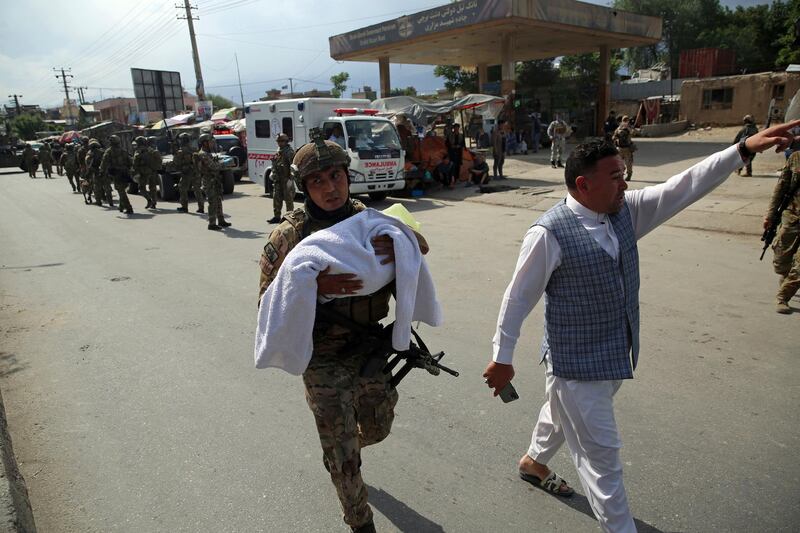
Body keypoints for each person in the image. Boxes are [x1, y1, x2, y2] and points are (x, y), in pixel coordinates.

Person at [482, 120, 800, 533]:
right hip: (576, 368)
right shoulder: (548, 234)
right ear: (583, 184)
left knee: (560, 414)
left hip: (616, 354)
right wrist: (501, 358)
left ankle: (533, 462)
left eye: (625, 176)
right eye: (615, 177)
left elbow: (683, 185)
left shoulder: (624, 214)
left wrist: (742, 150)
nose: (625, 185)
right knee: (602, 461)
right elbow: (516, 299)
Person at [257, 131, 429, 533]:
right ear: (304, 188)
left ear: (348, 178)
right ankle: (356, 510)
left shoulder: (373, 219)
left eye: (336, 176)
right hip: (322, 356)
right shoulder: (289, 236)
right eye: (317, 181)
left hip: (369, 346)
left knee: (377, 427)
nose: (329, 188)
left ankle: (343, 450)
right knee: (343, 449)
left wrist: (402, 247)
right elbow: (268, 303)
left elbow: (420, 245)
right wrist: (313, 290)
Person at [764, 150, 800, 314]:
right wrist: (770, 215)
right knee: (781, 261)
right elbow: (780, 188)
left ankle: (782, 297)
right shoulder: (795, 158)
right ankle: (787, 279)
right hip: (791, 216)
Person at [195, 133, 231, 231]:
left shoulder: (208, 153)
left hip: (214, 180)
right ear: (205, 143)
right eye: (210, 142)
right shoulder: (203, 154)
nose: (212, 144)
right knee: (212, 202)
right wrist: (224, 164)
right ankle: (212, 223)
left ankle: (221, 220)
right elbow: (213, 166)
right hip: (209, 181)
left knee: (218, 201)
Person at [101, 135, 134, 215]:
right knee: (122, 190)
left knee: (121, 191)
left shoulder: (109, 152)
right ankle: (121, 206)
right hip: (125, 173)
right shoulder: (123, 151)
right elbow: (130, 162)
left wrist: (102, 172)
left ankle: (129, 208)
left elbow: (104, 163)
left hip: (117, 173)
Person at [267, 133, 296, 224]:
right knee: (276, 198)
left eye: (281, 141)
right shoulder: (279, 150)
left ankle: (289, 217)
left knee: (288, 200)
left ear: (286, 141)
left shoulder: (289, 152)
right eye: (278, 141)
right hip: (278, 179)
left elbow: (293, 166)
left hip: (286, 179)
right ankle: (276, 216)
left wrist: (290, 179)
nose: (279, 143)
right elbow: (275, 162)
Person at [175, 133, 204, 214]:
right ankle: (201, 207)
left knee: (182, 188)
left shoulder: (181, 151)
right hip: (196, 171)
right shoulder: (194, 149)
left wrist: (175, 153)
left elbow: (177, 162)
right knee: (197, 189)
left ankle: (184, 207)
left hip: (186, 172)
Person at [132, 136, 161, 209]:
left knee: (141, 188)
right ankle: (154, 203)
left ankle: (149, 200)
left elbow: (135, 163)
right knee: (153, 188)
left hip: (144, 173)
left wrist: (135, 171)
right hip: (153, 171)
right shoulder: (151, 149)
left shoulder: (138, 151)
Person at [612, 115, 636, 181]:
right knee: (619, 163)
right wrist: (615, 137)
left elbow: (634, 133)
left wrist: (629, 129)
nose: (625, 122)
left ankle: (629, 174)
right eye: (624, 120)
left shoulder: (629, 128)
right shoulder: (619, 128)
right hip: (620, 148)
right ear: (622, 121)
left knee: (628, 163)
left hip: (627, 149)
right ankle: (621, 174)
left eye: (626, 120)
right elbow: (614, 137)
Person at [85, 139, 105, 206]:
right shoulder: (102, 152)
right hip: (102, 170)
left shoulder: (90, 153)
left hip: (94, 171)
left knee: (95, 186)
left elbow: (87, 163)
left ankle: (98, 201)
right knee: (104, 184)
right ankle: (104, 196)